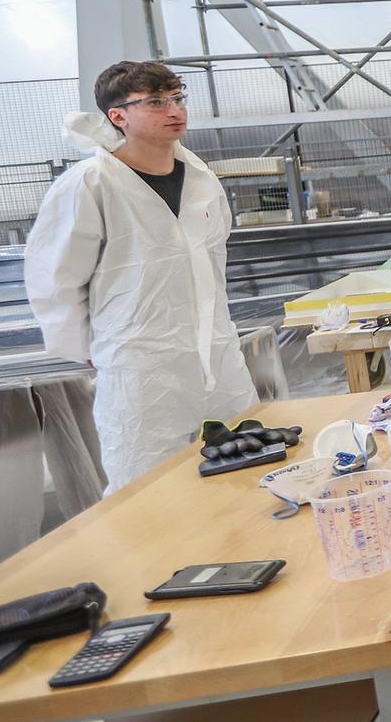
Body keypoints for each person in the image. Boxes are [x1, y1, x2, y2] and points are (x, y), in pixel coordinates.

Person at [24, 61, 258, 492]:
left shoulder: (201, 177)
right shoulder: (91, 184)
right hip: (141, 368)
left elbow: (214, 261)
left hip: (217, 353)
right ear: (118, 116)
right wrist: (97, 350)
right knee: (149, 490)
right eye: (155, 102)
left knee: (248, 470)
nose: (174, 110)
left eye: (177, 98)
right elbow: (54, 279)